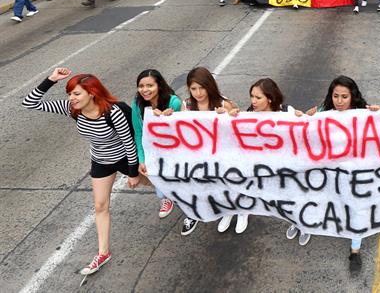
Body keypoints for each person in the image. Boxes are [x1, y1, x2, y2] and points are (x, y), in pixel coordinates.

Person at [23, 67, 139, 275]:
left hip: (124, 158)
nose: (71, 98)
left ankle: (169, 196)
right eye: (69, 94)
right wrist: (51, 80)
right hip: (100, 161)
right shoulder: (72, 109)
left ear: (92, 93)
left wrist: (133, 173)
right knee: (100, 205)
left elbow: (129, 143)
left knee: (156, 184)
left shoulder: (114, 111)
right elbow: (29, 103)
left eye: (76, 93)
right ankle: (103, 252)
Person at [306, 76, 370, 272]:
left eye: (344, 96)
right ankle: (304, 225)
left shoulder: (364, 115)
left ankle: (355, 250)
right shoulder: (323, 113)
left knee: (357, 208)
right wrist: (304, 118)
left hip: (356, 174)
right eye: (336, 96)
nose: (340, 101)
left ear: (353, 97)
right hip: (331, 173)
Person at [224, 79, 299, 236]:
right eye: (252, 96)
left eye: (258, 98)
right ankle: (242, 210)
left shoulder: (287, 112)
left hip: (282, 166)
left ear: (270, 98)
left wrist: (303, 118)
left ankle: (300, 224)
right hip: (258, 166)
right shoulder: (248, 115)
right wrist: (227, 118)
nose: (253, 101)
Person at [179, 67, 238, 236]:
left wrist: (227, 115)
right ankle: (194, 213)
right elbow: (181, 130)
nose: (198, 93)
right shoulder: (187, 105)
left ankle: (229, 209)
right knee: (193, 185)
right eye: (193, 89)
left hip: (220, 154)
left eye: (201, 88)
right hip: (196, 154)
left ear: (209, 86)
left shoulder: (223, 103)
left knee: (220, 185)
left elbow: (237, 131)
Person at [130, 69, 182, 220]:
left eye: (150, 85)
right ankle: (166, 198)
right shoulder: (137, 103)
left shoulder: (174, 102)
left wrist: (166, 119)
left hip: (174, 150)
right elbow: (139, 133)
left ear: (159, 85)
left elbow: (181, 132)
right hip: (153, 151)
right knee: (159, 182)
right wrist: (141, 159)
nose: (145, 90)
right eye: (141, 86)